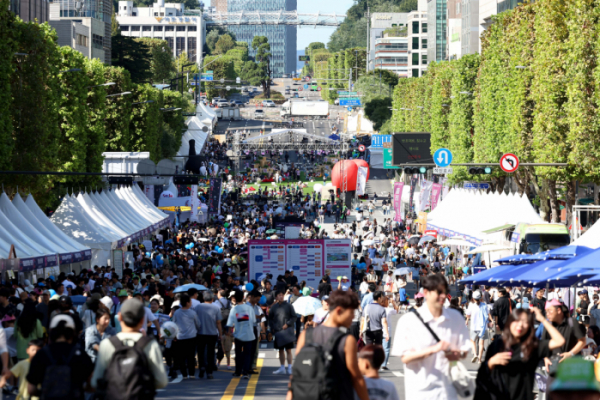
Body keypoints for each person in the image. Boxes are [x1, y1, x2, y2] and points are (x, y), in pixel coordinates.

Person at [391, 274, 471, 400]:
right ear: (426, 292)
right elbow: (406, 358)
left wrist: (457, 355)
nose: (443, 296)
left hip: (448, 392)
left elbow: (463, 352)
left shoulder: (456, 318)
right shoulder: (408, 321)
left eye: (446, 292)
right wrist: (434, 349)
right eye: (439, 292)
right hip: (420, 392)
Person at [287, 290, 369, 400]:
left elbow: (296, 373)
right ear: (339, 311)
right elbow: (356, 377)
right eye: (351, 313)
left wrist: (289, 396)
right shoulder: (347, 340)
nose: (352, 318)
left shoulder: (306, 335)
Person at [473, 307, 565, 400]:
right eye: (516, 321)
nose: (520, 325)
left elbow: (559, 341)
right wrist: (491, 362)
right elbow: (482, 375)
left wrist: (543, 320)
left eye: (525, 322)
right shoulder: (497, 345)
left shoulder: (532, 346)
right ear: (510, 322)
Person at [91, 298, 168, 393]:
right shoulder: (149, 344)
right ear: (142, 320)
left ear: (119, 317)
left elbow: (96, 381)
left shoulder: (107, 344)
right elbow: (161, 381)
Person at [27, 314, 95, 400]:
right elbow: (92, 385)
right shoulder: (80, 354)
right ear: (72, 333)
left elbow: (31, 389)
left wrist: (43, 393)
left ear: (51, 332)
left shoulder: (41, 354)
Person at [542, 300, 586, 376]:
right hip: (554, 367)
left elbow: (582, 341)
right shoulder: (548, 325)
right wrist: (546, 358)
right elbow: (544, 345)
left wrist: (570, 353)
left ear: (558, 310)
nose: (547, 314)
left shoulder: (572, 322)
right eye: (546, 311)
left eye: (549, 311)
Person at [226, 289, 255, 379]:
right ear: (243, 297)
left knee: (238, 354)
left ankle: (238, 371)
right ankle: (245, 372)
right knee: (247, 354)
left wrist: (229, 333)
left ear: (235, 298)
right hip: (249, 335)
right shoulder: (249, 308)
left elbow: (230, 323)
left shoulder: (234, 309)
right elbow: (254, 321)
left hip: (238, 335)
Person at [194, 291, 222, 380]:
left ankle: (202, 367)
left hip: (200, 333)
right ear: (212, 299)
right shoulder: (216, 308)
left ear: (203, 298)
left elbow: (194, 319)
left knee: (201, 351)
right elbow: (218, 322)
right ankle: (209, 372)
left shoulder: (197, 307)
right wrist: (220, 334)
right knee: (211, 352)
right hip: (212, 333)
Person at [172, 293, 201, 380]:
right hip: (191, 337)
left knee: (181, 357)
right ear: (187, 302)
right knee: (191, 356)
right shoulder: (193, 313)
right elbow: (198, 324)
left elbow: (173, 324)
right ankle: (191, 374)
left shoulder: (177, 312)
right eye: (190, 301)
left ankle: (184, 374)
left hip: (180, 337)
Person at [269, 290, 297, 375]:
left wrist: (288, 324)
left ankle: (289, 367)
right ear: (276, 297)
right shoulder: (273, 307)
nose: (281, 296)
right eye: (279, 295)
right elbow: (270, 319)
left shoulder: (289, 306)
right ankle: (282, 367)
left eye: (282, 295)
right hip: (278, 331)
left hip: (287, 331)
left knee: (288, 350)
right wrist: (272, 328)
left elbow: (294, 317)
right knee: (280, 350)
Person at [465, 290, 491, 363]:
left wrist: (467, 320)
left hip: (474, 326)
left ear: (473, 298)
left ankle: (475, 354)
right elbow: (488, 315)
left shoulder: (471, 305)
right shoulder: (484, 305)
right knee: (481, 343)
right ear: (480, 298)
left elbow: (468, 314)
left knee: (473, 341)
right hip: (483, 327)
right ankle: (479, 359)